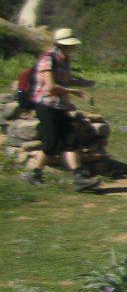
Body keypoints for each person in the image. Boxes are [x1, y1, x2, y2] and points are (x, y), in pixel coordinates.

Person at [21, 28, 100, 192]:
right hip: (46, 106)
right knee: (51, 143)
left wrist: (83, 84)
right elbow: (50, 87)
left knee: (71, 141)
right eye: (70, 45)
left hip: (59, 106)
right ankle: (34, 174)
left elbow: (64, 80)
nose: (73, 48)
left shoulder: (65, 60)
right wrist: (74, 92)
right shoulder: (47, 59)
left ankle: (80, 179)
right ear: (60, 45)